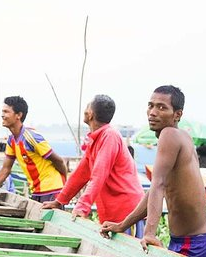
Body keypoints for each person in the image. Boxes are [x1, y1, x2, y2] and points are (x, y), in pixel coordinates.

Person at [100, 85, 206, 257]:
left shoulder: (169, 135)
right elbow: (156, 188)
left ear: (177, 115)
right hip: (194, 239)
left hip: (191, 243)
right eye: (150, 105)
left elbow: (158, 184)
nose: (153, 112)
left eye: (162, 107)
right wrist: (123, 225)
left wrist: (150, 233)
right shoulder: (181, 136)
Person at [41, 94, 143, 226]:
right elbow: (80, 174)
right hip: (113, 212)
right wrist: (60, 201)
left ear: (90, 114)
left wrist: (82, 207)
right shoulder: (96, 139)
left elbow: (99, 174)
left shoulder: (109, 136)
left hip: (127, 212)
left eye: (87, 106)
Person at [0, 96, 67, 203]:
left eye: (6, 112)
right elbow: (5, 170)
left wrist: (65, 185)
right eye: (2, 112)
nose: (2, 115)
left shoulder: (31, 137)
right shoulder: (11, 141)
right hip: (37, 190)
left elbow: (58, 161)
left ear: (18, 115)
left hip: (52, 189)